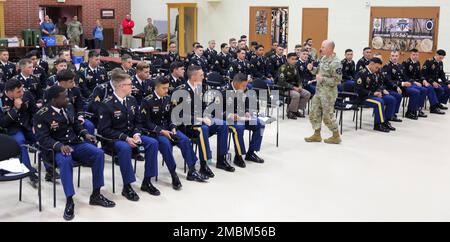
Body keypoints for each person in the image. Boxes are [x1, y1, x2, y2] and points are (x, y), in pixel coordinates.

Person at [34, 85, 115, 221]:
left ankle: (96, 194)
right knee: (66, 160)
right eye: (64, 97)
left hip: (75, 143)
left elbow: (75, 125)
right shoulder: (41, 115)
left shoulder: (68, 107)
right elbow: (42, 138)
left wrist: (85, 134)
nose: (69, 98)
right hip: (57, 149)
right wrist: (59, 146)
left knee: (98, 153)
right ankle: (69, 200)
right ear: (54, 100)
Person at [98, 69, 160, 201]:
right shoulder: (107, 104)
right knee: (125, 147)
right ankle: (127, 186)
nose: (132, 87)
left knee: (153, 143)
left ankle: (147, 181)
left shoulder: (131, 100)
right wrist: (125, 138)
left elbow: (138, 121)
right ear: (121, 86)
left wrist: (137, 133)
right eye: (130, 84)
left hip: (132, 135)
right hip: (113, 140)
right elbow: (104, 130)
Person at [141, 77, 207, 189]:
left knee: (185, 140)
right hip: (154, 132)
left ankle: (192, 170)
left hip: (168, 129)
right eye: (164, 88)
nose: (167, 90)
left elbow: (171, 117)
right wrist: (161, 131)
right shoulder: (147, 101)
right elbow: (146, 123)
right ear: (156, 88)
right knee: (166, 144)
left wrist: (173, 128)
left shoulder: (167, 98)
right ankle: (173, 174)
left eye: (167, 88)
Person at [171, 65, 226, 175]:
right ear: (193, 76)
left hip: (201, 120)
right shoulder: (181, 91)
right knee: (203, 129)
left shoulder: (201, 88)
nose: (204, 77)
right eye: (201, 75)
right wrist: (199, 118)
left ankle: (221, 159)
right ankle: (203, 163)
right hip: (187, 125)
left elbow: (205, 107)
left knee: (223, 124)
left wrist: (206, 116)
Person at [0, 78, 39, 187]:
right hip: (13, 129)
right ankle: (28, 171)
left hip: (28, 126)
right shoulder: (1, 100)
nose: (22, 93)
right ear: (9, 92)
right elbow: (2, 123)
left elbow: (35, 111)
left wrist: (35, 125)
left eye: (22, 90)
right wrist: (15, 109)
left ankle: (50, 169)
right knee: (20, 142)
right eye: (18, 92)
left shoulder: (26, 94)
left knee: (41, 137)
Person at [304, 40, 342, 144]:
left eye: (323, 47)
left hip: (328, 94)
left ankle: (336, 136)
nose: (321, 49)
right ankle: (317, 134)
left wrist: (323, 79)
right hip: (319, 91)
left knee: (327, 116)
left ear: (330, 48)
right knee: (314, 112)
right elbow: (319, 72)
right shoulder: (324, 58)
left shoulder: (336, 62)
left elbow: (337, 80)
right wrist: (312, 69)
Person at [224, 73, 266, 168]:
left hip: (242, 117)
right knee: (239, 127)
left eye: (245, 85)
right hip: (229, 119)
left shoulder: (244, 89)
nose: (245, 88)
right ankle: (238, 156)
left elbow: (247, 104)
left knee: (260, 124)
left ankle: (251, 153)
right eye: (243, 85)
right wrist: (230, 115)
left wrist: (247, 111)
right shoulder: (224, 91)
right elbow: (215, 111)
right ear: (235, 83)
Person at [355, 58, 397, 132]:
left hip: (373, 95)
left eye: (378, 68)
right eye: (376, 67)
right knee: (379, 102)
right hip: (363, 97)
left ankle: (385, 121)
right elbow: (359, 90)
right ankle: (378, 124)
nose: (377, 69)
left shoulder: (374, 73)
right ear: (371, 64)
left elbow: (378, 85)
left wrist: (380, 91)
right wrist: (373, 93)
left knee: (391, 99)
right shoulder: (361, 73)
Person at [382, 50, 423, 120]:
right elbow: (388, 80)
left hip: (402, 87)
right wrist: (401, 84)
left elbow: (405, 77)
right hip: (392, 88)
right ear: (390, 56)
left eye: (396, 56)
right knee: (399, 95)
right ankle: (393, 114)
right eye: (393, 56)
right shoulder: (387, 66)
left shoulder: (400, 66)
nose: (394, 58)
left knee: (416, 91)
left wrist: (410, 82)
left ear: (398, 57)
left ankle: (410, 112)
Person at [403, 49, 445, 115]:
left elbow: (420, 74)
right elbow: (404, 76)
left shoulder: (417, 63)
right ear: (410, 54)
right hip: (409, 83)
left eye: (417, 55)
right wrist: (414, 82)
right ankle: (431, 107)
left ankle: (420, 108)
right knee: (428, 88)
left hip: (419, 82)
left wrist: (423, 80)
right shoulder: (405, 63)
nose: (415, 56)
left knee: (429, 88)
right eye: (413, 55)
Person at [278, 53, 311, 119]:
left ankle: (296, 110)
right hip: (284, 88)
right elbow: (282, 82)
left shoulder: (295, 67)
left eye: (295, 59)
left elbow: (298, 79)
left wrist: (300, 86)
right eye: (292, 59)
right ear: (287, 59)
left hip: (294, 87)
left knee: (307, 94)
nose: (294, 61)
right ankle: (290, 112)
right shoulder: (283, 68)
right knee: (296, 95)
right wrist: (293, 87)